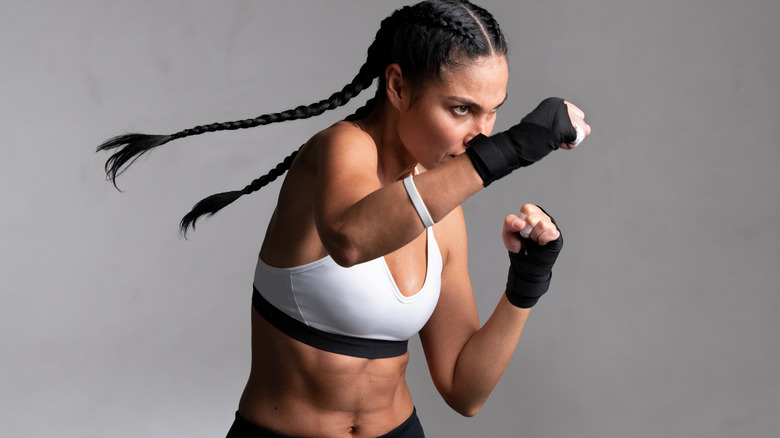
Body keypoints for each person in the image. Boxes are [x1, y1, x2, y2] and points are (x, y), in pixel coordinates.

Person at [97, 1, 589, 437]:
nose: (481, 135)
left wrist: (526, 283)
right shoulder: (339, 149)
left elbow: (465, 392)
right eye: (461, 109)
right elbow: (350, 240)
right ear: (397, 86)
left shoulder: (441, 212)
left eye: (493, 113)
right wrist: (515, 147)